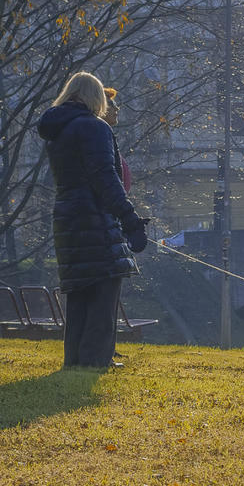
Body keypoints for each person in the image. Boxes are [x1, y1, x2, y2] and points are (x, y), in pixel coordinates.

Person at [37, 72, 149, 369]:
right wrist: (130, 218)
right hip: (94, 218)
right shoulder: (94, 127)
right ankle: (96, 361)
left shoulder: (59, 131)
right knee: (104, 289)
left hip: (67, 218)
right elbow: (105, 178)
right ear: (95, 96)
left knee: (79, 293)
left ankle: (75, 361)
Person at [102, 87, 132, 193]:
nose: (117, 108)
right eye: (112, 104)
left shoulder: (106, 137)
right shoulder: (98, 138)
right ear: (100, 107)